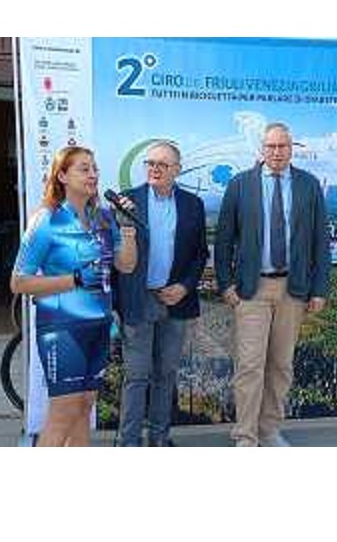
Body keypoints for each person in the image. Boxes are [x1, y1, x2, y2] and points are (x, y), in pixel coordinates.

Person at [10, 146, 137, 446]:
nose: (93, 174)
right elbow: (19, 283)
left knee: (84, 407)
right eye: (84, 169)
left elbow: (126, 265)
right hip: (62, 327)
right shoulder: (46, 220)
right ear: (62, 176)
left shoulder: (104, 218)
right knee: (64, 411)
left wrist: (128, 227)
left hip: (99, 326)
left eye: (94, 168)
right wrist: (74, 279)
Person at [215, 122, 330, 447]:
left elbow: (321, 240)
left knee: (281, 366)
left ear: (292, 149)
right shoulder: (240, 185)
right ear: (261, 149)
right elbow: (223, 239)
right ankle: (245, 436)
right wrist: (226, 285)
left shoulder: (308, 185)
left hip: (293, 290)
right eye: (271, 146)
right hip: (252, 290)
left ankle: (268, 431)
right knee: (250, 366)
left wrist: (320, 288)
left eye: (282, 146)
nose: (277, 152)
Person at [115, 140, 208, 447]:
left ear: (177, 170)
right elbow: (116, 255)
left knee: (166, 374)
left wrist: (184, 286)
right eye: (150, 163)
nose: (154, 169)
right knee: (136, 375)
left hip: (175, 301)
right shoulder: (128, 201)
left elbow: (200, 254)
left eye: (162, 164)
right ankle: (128, 442)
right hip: (138, 299)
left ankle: (159, 439)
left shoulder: (193, 204)